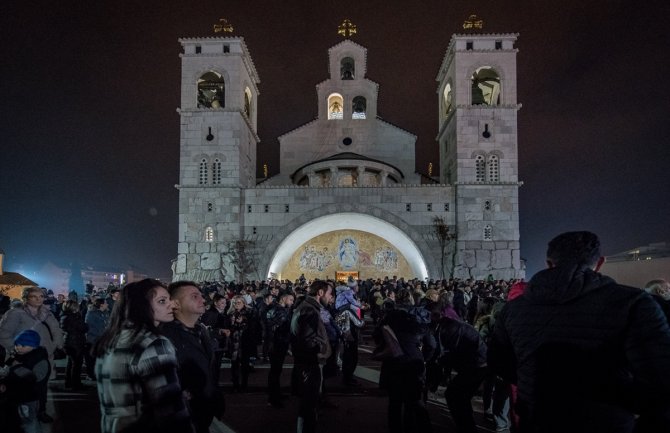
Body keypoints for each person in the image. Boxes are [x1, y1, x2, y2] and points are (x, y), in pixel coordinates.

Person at [489, 231, 670, 433]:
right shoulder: (634, 303)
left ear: (549, 263)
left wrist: (533, 379)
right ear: (600, 262)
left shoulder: (514, 309)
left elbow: (499, 362)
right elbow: (659, 380)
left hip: (539, 418)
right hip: (607, 422)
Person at [93, 278, 193, 433]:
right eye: (161, 301)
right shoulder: (154, 344)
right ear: (142, 307)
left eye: (169, 299)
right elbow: (170, 408)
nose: (172, 304)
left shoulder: (111, 339)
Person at [162, 281, 225, 433]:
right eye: (194, 296)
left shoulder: (201, 330)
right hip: (183, 416)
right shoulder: (166, 336)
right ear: (176, 304)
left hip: (205, 410)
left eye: (201, 296)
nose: (202, 300)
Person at [375, 287, 436, 433]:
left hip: (393, 362)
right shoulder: (419, 316)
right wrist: (425, 358)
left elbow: (377, 336)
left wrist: (386, 346)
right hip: (413, 362)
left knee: (394, 402)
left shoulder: (388, 317)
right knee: (413, 401)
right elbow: (432, 345)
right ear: (412, 299)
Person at [0, 286, 63, 423]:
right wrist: (16, 349)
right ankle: (18, 413)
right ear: (26, 298)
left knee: (41, 386)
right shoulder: (15, 314)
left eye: (41, 296)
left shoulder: (47, 313)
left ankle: (41, 411)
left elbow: (57, 330)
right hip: (21, 357)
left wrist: (54, 346)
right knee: (21, 385)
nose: (39, 299)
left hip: (43, 356)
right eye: (34, 296)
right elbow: (3, 335)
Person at [290, 280, 332, 433]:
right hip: (309, 364)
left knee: (307, 405)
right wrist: (323, 350)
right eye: (329, 294)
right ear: (320, 293)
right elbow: (308, 341)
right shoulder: (310, 311)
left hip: (305, 362)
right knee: (308, 406)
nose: (331, 297)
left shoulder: (306, 308)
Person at [4, 330, 50, 433]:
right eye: (17, 344)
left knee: (29, 422)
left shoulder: (40, 360)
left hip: (29, 398)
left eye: (23, 345)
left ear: (33, 346)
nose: (18, 347)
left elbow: (36, 378)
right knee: (17, 421)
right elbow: (8, 369)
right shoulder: (19, 355)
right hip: (16, 396)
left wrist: (18, 367)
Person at [266, 292, 294, 408]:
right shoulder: (280, 311)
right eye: (291, 299)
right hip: (277, 344)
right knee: (275, 371)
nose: (292, 302)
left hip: (276, 344)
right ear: (283, 298)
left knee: (276, 371)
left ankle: (276, 394)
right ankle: (273, 398)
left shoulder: (275, 309)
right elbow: (277, 329)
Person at [227, 294, 255, 392]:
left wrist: (243, 321)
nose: (237, 304)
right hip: (234, 343)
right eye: (235, 303)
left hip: (244, 343)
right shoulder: (230, 314)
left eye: (239, 302)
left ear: (244, 303)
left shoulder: (249, 313)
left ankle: (244, 385)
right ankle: (235, 384)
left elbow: (253, 328)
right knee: (234, 365)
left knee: (245, 365)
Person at [60, 299, 88, 390]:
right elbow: (83, 327)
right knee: (76, 364)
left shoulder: (65, 316)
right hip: (75, 342)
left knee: (71, 364)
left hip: (69, 342)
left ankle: (69, 382)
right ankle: (75, 383)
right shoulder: (73, 317)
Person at [84, 298, 109, 380]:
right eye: (106, 303)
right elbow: (89, 327)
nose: (107, 304)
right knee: (92, 359)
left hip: (102, 340)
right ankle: (90, 374)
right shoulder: (91, 313)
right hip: (93, 340)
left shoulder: (105, 313)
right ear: (101, 304)